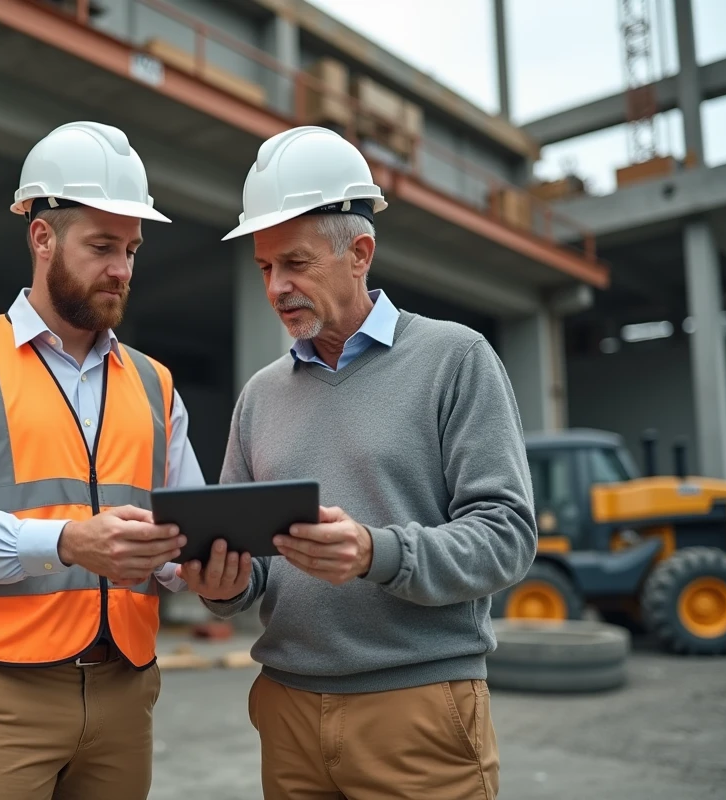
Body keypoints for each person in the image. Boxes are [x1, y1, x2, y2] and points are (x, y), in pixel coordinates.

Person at [181, 125, 537, 799]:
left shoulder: (454, 360)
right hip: (286, 712)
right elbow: (247, 571)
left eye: (296, 263)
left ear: (359, 254)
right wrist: (221, 582)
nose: (276, 287)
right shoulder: (260, 396)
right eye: (265, 269)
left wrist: (375, 551)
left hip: (418, 709)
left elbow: (508, 538)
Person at [0, 120, 206, 800]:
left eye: (131, 248)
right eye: (101, 246)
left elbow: (186, 537)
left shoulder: (156, 384)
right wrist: (65, 542)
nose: (121, 267)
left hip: (125, 689)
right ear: (42, 237)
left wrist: (212, 564)